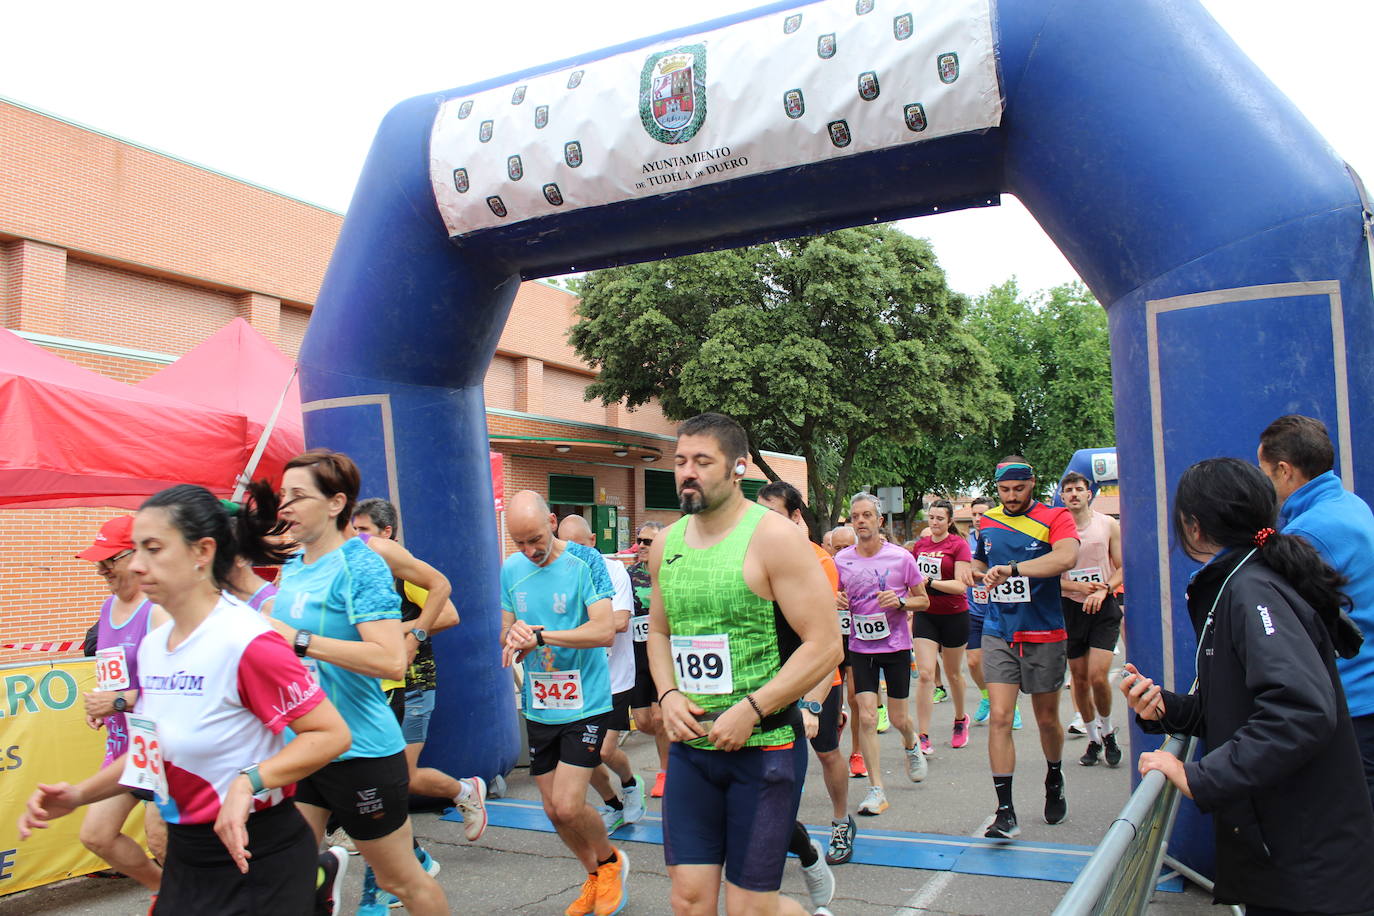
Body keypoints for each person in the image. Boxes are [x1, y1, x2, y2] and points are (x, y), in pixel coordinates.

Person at [19, 483, 353, 914]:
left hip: (256, 853)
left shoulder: (248, 640)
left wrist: (249, 780)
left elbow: (330, 734)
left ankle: (314, 880)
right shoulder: (157, 646)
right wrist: (78, 795)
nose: (137, 565)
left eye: (154, 548)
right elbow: (151, 749)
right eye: (136, 550)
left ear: (202, 552)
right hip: (189, 859)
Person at [1121, 457, 1374, 915]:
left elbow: (1301, 709)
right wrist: (1166, 709)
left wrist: (1202, 776)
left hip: (1305, 862)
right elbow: (1238, 706)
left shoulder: (1252, 589)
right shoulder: (1245, 580)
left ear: (1193, 527)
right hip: (1289, 855)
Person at [648, 413, 841, 916]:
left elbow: (825, 645)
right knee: (688, 901)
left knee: (751, 911)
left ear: (737, 468)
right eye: (680, 461)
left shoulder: (775, 538)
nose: (687, 472)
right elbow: (661, 633)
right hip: (692, 750)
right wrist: (668, 695)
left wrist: (752, 709)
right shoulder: (666, 544)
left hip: (765, 750)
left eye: (702, 461)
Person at [267, 450, 449, 915]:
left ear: (335, 504)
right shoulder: (293, 567)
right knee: (287, 868)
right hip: (308, 744)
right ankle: (325, 873)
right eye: (282, 495)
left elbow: (390, 660)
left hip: (361, 752)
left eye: (298, 495)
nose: (284, 505)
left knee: (401, 880)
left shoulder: (360, 565)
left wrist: (301, 641)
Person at [351, 498, 485, 913]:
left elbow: (449, 614)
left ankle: (463, 793)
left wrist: (399, 630)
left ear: (386, 533)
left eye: (363, 531)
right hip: (378, 686)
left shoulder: (400, 568)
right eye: (352, 530)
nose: (357, 539)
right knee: (392, 781)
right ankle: (417, 856)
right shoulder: (357, 569)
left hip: (413, 683)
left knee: (397, 779)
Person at [500, 490, 628, 916]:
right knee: (554, 811)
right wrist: (514, 641)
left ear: (552, 521)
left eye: (535, 538)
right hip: (540, 704)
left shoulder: (584, 562)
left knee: (571, 803)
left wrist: (542, 635)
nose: (529, 550)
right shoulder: (511, 570)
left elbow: (604, 630)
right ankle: (593, 874)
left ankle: (611, 863)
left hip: (586, 703)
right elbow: (507, 632)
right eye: (519, 543)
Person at [1258, 414, 1374, 810]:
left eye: (1265, 472)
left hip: (1352, 700)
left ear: (1285, 470)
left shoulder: (1308, 532)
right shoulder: (1350, 504)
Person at [972, 457, 1079, 839]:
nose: (1012, 496)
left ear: (1032, 483)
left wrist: (1014, 570)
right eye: (1005, 491)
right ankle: (1005, 812)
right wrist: (974, 572)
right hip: (998, 630)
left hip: (1044, 631)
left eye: (1019, 489)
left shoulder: (1056, 517)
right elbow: (978, 560)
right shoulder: (987, 521)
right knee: (1000, 717)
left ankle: (1054, 775)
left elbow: (1066, 556)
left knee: (1046, 719)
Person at [756, 481, 847, 890]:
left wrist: (812, 704)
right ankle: (800, 851)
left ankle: (841, 821)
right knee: (764, 796)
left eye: (772, 516)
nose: (763, 526)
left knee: (827, 754)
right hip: (766, 689)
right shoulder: (752, 558)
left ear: (796, 518)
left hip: (817, 682)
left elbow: (826, 643)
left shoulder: (818, 562)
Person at [74, 515, 169, 904]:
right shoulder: (107, 607)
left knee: (162, 842)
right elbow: (115, 674)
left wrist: (117, 701)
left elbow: (172, 690)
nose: (101, 570)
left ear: (135, 556)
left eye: (108, 560)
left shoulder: (158, 610)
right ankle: (167, 892)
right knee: (96, 835)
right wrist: (102, 703)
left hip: (160, 747)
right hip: (123, 748)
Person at [835, 492, 929, 817]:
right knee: (867, 714)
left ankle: (910, 742)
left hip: (896, 646)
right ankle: (876, 789)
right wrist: (836, 598)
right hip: (860, 647)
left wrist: (902, 603)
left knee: (899, 718)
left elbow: (924, 601)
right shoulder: (842, 560)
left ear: (880, 521)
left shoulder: (901, 558)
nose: (860, 521)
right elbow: (835, 593)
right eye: (855, 516)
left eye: (866, 516)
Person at [556, 514, 646, 835]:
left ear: (593, 541)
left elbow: (618, 623)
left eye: (580, 545)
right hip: (577, 680)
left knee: (604, 750)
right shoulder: (558, 575)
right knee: (581, 754)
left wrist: (569, 631)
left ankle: (630, 783)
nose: (574, 554)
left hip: (614, 678)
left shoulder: (614, 570)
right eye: (567, 548)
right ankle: (612, 803)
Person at [1056, 472, 1124, 768]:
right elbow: (1050, 577)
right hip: (1071, 609)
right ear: (1062, 496)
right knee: (1080, 682)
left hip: (1103, 607)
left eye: (1079, 489)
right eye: (1068, 490)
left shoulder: (1107, 524)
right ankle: (1093, 738)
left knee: (1098, 676)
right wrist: (1077, 588)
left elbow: (1123, 567)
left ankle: (1108, 731)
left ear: (1089, 494)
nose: (1073, 494)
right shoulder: (1054, 531)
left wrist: (1105, 589)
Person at [909, 499, 972, 753]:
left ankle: (960, 719)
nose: (934, 523)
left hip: (955, 615)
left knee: (953, 673)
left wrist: (930, 582)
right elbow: (911, 579)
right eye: (931, 518)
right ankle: (922, 735)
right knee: (925, 674)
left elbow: (960, 586)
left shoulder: (958, 546)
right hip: (926, 614)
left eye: (939, 519)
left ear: (949, 521)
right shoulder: (920, 546)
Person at [626, 522, 671, 799]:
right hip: (636, 654)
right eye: (640, 540)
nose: (642, 545)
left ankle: (666, 772)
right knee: (644, 721)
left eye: (649, 541)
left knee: (659, 716)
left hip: (663, 651)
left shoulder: (670, 573)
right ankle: (677, 751)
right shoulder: (628, 575)